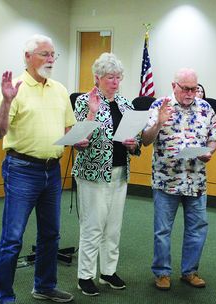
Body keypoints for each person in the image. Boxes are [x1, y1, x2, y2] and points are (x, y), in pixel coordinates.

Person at [0, 34, 75, 304]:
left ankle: (45, 286)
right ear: (27, 57)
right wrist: (6, 102)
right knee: (13, 238)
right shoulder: (14, 87)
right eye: (44, 54)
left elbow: (67, 128)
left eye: (53, 54)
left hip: (52, 170)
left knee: (51, 234)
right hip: (21, 170)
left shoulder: (60, 89)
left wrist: (78, 137)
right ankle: (4, 297)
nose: (50, 59)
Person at [141, 68, 216, 291]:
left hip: (196, 180)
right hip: (166, 180)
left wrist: (210, 151)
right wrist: (158, 123)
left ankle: (190, 271)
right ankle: (162, 273)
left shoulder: (205, 108)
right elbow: (146, 140)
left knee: (197, 228)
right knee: (163, 230)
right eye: (185, 88)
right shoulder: (160, 106)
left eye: (194, 88)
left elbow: (214, 137)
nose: (190, 93)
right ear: (174, 86)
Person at [71, 53, 141, 296]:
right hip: (93, 173)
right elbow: (79, 140)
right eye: (110, 77)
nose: (115, 82)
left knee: (113, 226)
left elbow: (136, 141)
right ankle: (85, 276)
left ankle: (108, 271)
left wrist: (134, 143)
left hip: (119, 172)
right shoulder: (84, 101)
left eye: (118, 77)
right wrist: (92, 112)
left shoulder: (125, 103)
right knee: (93, 225)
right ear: (97, 78)